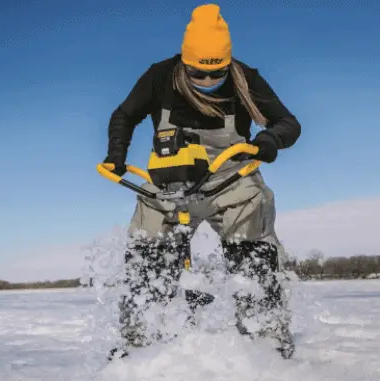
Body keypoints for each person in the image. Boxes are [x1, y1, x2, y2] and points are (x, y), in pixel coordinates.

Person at [103, 3, 301, 360]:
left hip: (231, 182)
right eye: (198, 73)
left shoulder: (245, 77)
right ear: (185, 61)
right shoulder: (160, 76)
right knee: (147, 265)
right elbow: (124, 115)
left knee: (253, 262)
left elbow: (288, 122)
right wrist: (116, 155)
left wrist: (270, 140)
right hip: (167, 183)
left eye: (216, 74)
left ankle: (267, 345)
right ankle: (138, 349)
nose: (208, 82)